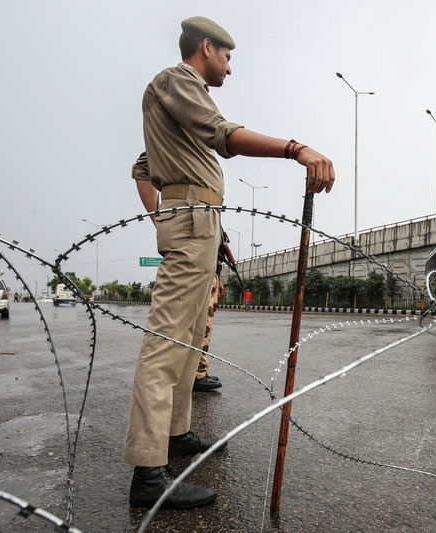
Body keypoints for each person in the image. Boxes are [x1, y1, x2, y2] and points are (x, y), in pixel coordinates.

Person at [126, 16, 335, 510]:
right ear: (206, 48)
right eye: (227, 57)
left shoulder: (184, 98)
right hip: (191, 221)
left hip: (203, 224)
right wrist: (294, 149)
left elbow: (144, 163)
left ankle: (174, 436)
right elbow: (222, 136)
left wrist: (182, 218)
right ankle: (147, 474)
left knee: (186, 341)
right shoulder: (176, 81)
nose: (230, 67)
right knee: (165, 345)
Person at [193, 269, 223, 391]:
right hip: (202, 273)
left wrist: (218, 279)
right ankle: (197, 374)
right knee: (201, 328)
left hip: (211, 274)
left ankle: (199, 370)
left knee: (206, 328)